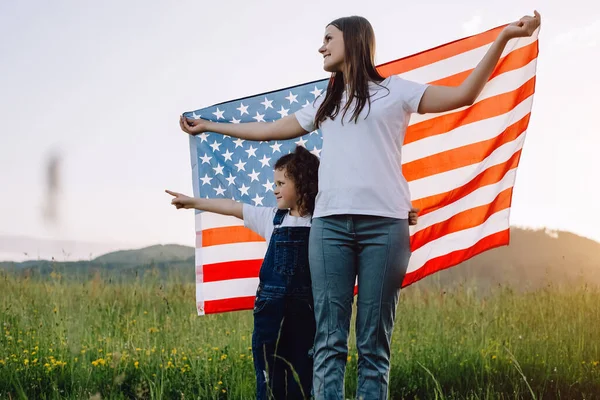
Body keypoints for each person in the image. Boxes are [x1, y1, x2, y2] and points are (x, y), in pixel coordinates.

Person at [179, 11, 541, 399]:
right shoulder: (324, 102)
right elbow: (268, 130)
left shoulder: (397, 91)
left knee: (373, 345)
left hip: (384, 230)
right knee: (329, 343)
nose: (321, 46)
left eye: (328, 38)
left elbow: (464, 95)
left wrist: (504, 37)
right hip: (330, 229)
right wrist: (212, 126)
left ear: (352, 41)